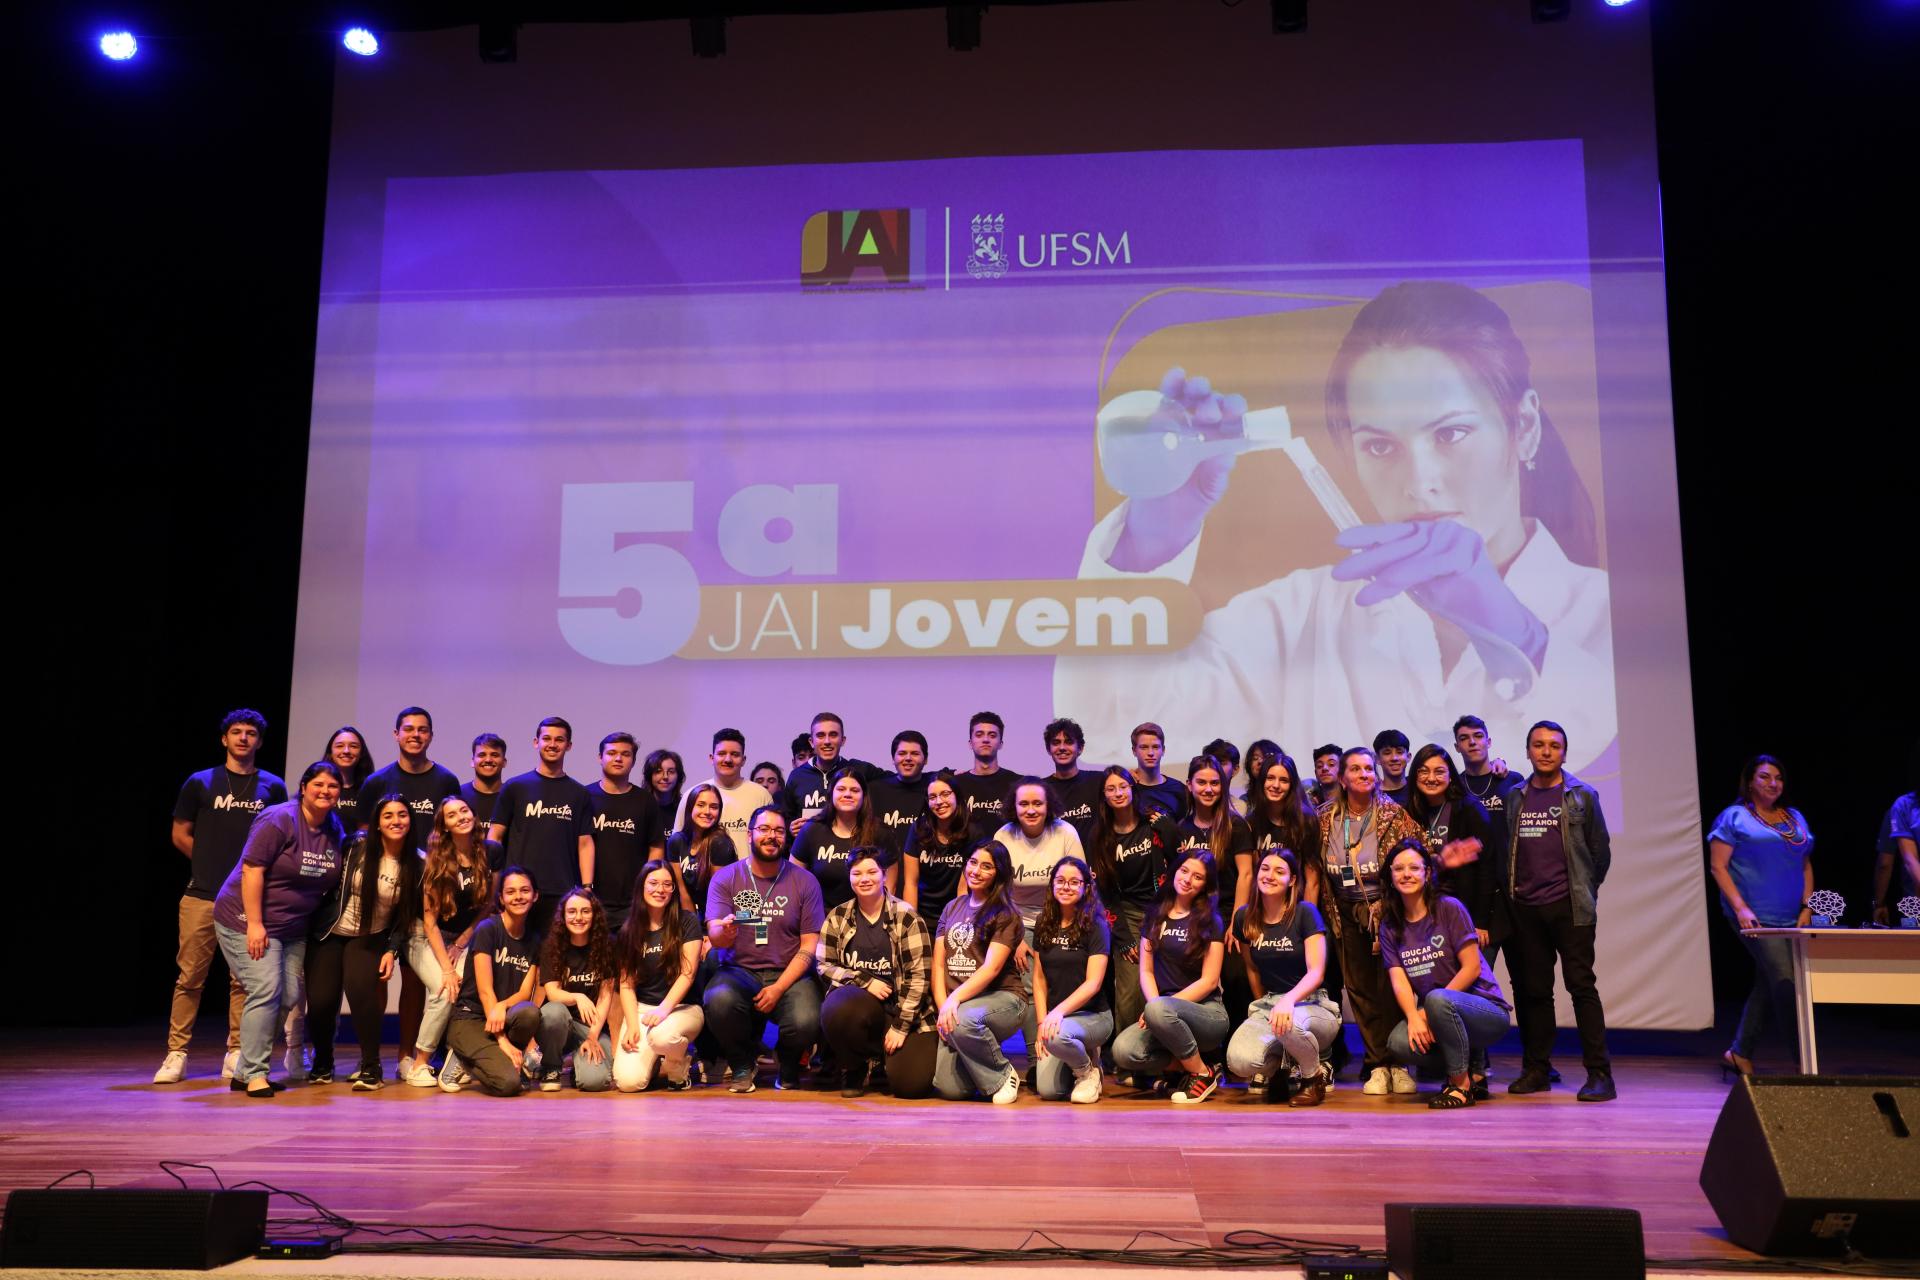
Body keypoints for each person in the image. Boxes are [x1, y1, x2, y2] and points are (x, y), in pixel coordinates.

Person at [1055, 280, 1615, 780]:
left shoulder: (1609, 613)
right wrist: (1152, 536)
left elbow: (1587, 738)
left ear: (1524, 425)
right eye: (1379, 446)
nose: (1419, 482)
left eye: (1451, 435)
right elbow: (1102, 725)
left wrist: (1509, 627)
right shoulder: (1301, 616)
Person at [159, 709, 290, 1086]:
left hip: (248, 901)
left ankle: (236, 1050)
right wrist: (208, 864)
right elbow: (180, 834)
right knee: (190, 977)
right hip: (202, 894)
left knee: (243, 979)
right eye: (236, 732)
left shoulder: (273, 786)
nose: (243, 738)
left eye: (251, 733)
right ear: (224, 739)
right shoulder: (200, 782)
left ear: (259, 741)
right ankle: (177, 1053)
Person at [209, 761, 344, 1097]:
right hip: (245, 918)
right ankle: (256, 1073)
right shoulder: (279, 818)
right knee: (266, 989)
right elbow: (252, 870)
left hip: (292, 928)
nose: (325, 791)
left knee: (288, 995)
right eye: (319, 784)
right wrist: (255, 924)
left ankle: (245, 1071)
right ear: (304, 787)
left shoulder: (333, 827)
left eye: (333, 786)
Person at [1505, 720, 1615, 1101]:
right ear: (1528, 751)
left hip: (1570, 910)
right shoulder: (1515, 797)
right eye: (1539, 745)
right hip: (1526, 909)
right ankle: (1537, 1069)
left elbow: (1600, 854)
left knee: (1581, 987)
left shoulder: (1583, 795)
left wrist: (1582, 891)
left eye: (1554, 745)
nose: (1546, 751)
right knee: (1535, 992)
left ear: (1564, 753)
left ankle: (1600, 1074)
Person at [1319, 746, 1423, 1096]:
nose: (1364, 774)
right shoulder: (1325, 818)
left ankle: (1399, 1064)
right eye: (1356, 769)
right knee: (1359, 990)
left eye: (1368, 769)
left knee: (1390, 989)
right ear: (1342, 778)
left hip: (1387, 914)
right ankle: (1378, 1064)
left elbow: (1420, 854)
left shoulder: (1393, 814)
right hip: (1344, 913)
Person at [1380, 838, 1512, 1108]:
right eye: (1399, 869)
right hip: (1440, 1011)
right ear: (1391, 876)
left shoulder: (1449, 907)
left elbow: (1472, 967)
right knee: (1398, 1042)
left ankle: (1460, 1086)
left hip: (1486, 1011)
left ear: (1427, 873)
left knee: (1437, 999)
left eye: (1414, 868)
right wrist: (1413, 1017)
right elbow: (1399, 981)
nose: (1406, 874)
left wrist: (1429, 1010)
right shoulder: (1390, 924)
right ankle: (1468, 1068)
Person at [703, 807, 825, 1092]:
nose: (772, 836)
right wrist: (724, 932)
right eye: (764, 829)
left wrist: (779, 988)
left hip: (790, 973)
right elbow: (715, 935)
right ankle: (742, 1063)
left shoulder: (805, 881)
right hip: (739, 971)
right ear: (749, 835)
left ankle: (789, 1062)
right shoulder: (726, 878)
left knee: (807, 1018)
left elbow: (809, 944)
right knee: (718, 1000)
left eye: (779, 831)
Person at [1707, 756, 1815, 1076]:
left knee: (1769, 981)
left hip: (1792, 918)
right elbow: (1718, 866)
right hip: (1754, 917)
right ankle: (1806, 1063)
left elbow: (1805, 863)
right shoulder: (1735, 817)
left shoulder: (1794, 817)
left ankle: (1740, 1052)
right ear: (1750, 782)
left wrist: (1808, 906)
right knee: (1785, 982)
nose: (1773, 783)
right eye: (1765, 777)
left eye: (1778, 778)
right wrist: (1741, 908)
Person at [307, 795, 420, 1091]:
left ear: (410, 820)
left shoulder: (417, 863)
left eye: (402, 815)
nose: (396, 821)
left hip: (370, 936)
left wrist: (391, 950)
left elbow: (406, 916)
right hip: (330, 931)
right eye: (388, 816)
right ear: (378, 823)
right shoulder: (355, 846)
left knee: (360, 993)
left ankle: (371, 1066)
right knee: (320, 1000)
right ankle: (323, 1061)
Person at [816, 847, 938, 1098]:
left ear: (884, 875)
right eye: (857, 873)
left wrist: (901, 1026)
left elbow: (919, 978)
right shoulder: (837, 917)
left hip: (904, 1011)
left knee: (912, 1086)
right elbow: (824, 965)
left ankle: (884, 1061)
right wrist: (863, 980)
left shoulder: (906, 916)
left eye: (872, 872)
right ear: (849, 877)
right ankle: (855, 1066)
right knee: (836, 1008)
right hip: (861, 1007)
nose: (864, 879)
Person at [1111, 852, 1228, 1104]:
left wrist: (1161, 1007)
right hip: (1164, 1013)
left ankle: (1202, 1073)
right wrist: (1156, 1007)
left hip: (1207, 1013)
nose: (1187, 879)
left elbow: (1209, 981)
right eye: (1184, 871)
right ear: (1175, 871)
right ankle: (1186, 1066)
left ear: (1205, 885)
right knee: (1123, 1051)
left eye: (1197, 877)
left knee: (1158, 1009)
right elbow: (1146, 971)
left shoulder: (1212, 920)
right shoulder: (1155, 915)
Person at [1225, 849, 1339, 1105]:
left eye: (1279, 871)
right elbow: (1252, 968)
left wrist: (1288, 1000)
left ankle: (1313, 1077)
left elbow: (1316, 972)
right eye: (1265, 869)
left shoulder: (1305, 912)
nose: (1270, 876)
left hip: (1314, 1004)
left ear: (1292, 880)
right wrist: (1262, 1004)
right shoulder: (1245, 916)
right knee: (1238, 1061)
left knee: (1290, 1024)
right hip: (1271, 1005)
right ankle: (1284, 1066)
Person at [995, 778, 1086, 1063]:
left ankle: (1070, 1052)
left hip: (1060, 919)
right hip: (1017, 921)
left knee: (1062, 984)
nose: (1031, 809)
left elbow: (1079, 882)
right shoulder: (1004, 836)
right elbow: (997, 892)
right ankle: (1039, 1058)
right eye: (1024, 804)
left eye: (1037, 803)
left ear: (1049, 806)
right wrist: (1015, 938)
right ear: (1014, 807)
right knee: (1031, 987)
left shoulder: (1065, 832)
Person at [1085, 765, 1179, 1035]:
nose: (1118, 793)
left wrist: (1167, 827)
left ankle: (1167, 1048)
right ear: (1104, 796)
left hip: (1164, 909)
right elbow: (1104, 892)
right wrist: (1124, 937)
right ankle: (1127, 1053)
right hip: (1127, 914)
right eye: (1111, 789)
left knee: (1167, 982)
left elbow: (1180, 860)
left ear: (1132, 788)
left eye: (1123, 786)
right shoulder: (1099, 836)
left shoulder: (1155, 822)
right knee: (1129, 992)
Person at [931, 841, 1028, 1103]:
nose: (976, 871)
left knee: (963, 1021)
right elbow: (939, 965)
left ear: (999, 873)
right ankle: (979, 1065)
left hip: (1004, 998)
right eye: (973, 862)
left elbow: (991, 968)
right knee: (950, 1089)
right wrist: (943, 1007)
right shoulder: (952, 907)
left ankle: (1003, 1074)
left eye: (987, 866)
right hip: (959, 1005)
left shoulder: (1006, 913)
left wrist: (953, 1000)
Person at [439, 867, 543, 1096]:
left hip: (501, 1016)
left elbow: (525, 993)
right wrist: (503, 1041)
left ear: (535, 895)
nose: (518, 897)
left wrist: (502, 1006)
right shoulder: (488, 929)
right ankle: (461, 1055)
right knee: (509, 1084)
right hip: (471, 1019)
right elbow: (485, 990)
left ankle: (486, 1057)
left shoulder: (534, 940)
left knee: (529, 1013)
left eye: (525, 890)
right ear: (501, 898)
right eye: (511, 892)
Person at [488, 717, 595, 939]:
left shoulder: (579, 793)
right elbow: (495, 836)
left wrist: (586, 887)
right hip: (518, 891)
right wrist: (492, 885)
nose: (552, 744)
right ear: (536, 742)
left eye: (559, 740)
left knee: (553, 955)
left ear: (569, 745)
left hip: (561, 892)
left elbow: (585, 843)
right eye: (547, 738)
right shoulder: (515, 787)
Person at [417, 796, 497, 1088]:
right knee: (445, 987)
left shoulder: (491, 851)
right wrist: (447, 968)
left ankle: (457, 1056)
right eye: (452, 815)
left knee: (467, 987)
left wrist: (462, 942)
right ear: (445, 826)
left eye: (464, 811)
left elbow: (490, 904)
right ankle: (420, 1064)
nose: (461, 817)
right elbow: (429, 922)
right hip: (430, 934)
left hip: (468, 936)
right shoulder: (435, 860)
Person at [613, 860, 706, 1091]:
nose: (660, 889)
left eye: (667, 884)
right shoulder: (629, 930)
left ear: (673, 889)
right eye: (653, 883)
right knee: (628, 1083)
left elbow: (687, 974)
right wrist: (632, 1024)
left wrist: (663, 1010)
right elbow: (626, 985)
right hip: (643, 1011)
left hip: (682, 1008)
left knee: (662, 1037)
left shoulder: (687, 922)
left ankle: (677, 1068)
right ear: (642, 887)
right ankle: (654, 1061)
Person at [1031, 856, 1112, 1103]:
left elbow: (1093, 983)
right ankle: (1079, 1057)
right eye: (1060, 880)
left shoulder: (1096, 925)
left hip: (1093, 1016)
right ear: (1052, 884)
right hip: (1057, 1020)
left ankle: (1088, 1073)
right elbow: (1039, 978)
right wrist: (1041, 1023)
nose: (1066, 887)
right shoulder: (1043, 922)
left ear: (1085, 887)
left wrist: (1057, 1014)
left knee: (1056, 1037)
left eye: (1074, 882)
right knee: (1048, 1091)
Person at [1402, 744, 1497, 941]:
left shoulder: (1470, 810)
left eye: (1439, 771)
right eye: (1423, 771)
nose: (1431, 778)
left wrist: (1480, 922)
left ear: (1451, 775)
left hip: (1466, 910)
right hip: (1425, 911)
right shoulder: (1409, 813)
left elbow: (1487, 868)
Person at [537, 887, 617, 1091]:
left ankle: (577, 1066)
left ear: (594, 915)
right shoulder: (551, 946)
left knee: (595, 1082)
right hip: (558, 1025)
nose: (578, 917)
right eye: (572, 911)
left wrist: (592, 1036)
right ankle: (551, 1067)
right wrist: (578, 997)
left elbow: (605, 997)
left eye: (585, 911)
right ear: (563, 916)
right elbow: (552, 993)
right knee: (553, 1012)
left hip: (591, 1026)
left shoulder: (607, 946)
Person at [587, 732, 668, 929]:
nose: (618, 758)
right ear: (600, 758)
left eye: (625, 754)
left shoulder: (645, 800)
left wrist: (647, 888)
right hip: (592, 899)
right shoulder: (585, 797)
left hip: (633, 903)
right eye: (611, 753)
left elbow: (656, 847)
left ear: (633, 761)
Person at [356, 708, 461, 849]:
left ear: (431, 736)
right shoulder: (375, 782)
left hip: (435, 862)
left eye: (422, 730)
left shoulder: (447, 781)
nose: (415, 735)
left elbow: (454, 831)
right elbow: (365, 833)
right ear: (396, 734)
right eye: (408, 729)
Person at [1175, 755, 1255, 923]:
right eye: (1201, 782)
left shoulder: (1236, 825)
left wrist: (1236, 921)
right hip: (1191, 917)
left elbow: (1246, 875)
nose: (1208, 789)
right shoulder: (1182, 828)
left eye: (1215, 783)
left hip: (1227, 915)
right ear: (1189, 785)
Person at [794, 768, 888, 911]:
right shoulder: (811, 830)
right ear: (831, 794)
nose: (847, 794)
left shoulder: (879, 832)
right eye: (841, 789)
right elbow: (795, 880)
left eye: (855, 790)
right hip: (819, 917)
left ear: (864, 796)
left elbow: (889, 884)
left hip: (870, 917)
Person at [676, 729, 773, 860]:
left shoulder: (761, 795)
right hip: (703, 872)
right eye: (722, 754)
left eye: (735, 754)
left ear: (743, 760)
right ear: (712, 758)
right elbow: (678, 843)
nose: (728, 759)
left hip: (749, 872)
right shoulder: (692, 795)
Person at [1247, 753, 1325, 904]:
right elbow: (1249, 876)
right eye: (1270, 778)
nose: (1276, 785)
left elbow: (1312, 881)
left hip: (1295, 906)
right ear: (1262, 781)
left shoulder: (1306, 821)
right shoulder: (1251, 822)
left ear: (1292, 785)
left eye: (1283, 780)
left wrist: (1307, 916)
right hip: (1261, 906)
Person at [783, 712, 878, 830]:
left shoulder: (859, 770)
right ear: (811, 742)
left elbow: (893, 781)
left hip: (850, 840)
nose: (827, 741)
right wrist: (790, 828)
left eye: (833, 735)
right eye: (820, 735)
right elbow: (785, 817)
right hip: (810, 841)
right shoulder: (797, 776)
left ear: (842, 740)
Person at [902, 770, 971, 925]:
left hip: (957, 914)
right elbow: (911, 883)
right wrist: (913, 924)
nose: (939, 801)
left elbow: (963, 889)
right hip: (923, 915)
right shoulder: (918, 829)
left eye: (945, 794)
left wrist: (956, 924)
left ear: (957, 796)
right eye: (933, 797)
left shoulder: (972, 831)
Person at [1453, 715, 1523, 865]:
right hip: (1472, 872)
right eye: (1464, 738)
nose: (1472, 742)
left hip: (1510, 870)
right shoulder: (1455, 787)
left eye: (1478, 736)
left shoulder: (1513, 780)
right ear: (1457, 747)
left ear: (1488, 742)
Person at [668, 782, 734, 917]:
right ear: (690, 807)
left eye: (714, 807)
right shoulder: (676, 841)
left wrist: (709, 926)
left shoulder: (720, 843)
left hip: (719, 914)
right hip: (691, 914)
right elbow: (683, 892)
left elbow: (717, 895)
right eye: (701, 805)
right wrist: (692, 926)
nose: (707, 812)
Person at [952, 711, 1020, 837]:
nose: (985, 740)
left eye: (992, 735)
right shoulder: (956, 784)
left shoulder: (1017, 784)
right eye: (979, 735)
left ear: (1001, 744)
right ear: (970, 743)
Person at [869, 731, 932, 854]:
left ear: (925, 759)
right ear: (893, 758)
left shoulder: (935, 789)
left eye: (915, 753)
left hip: (926, 864)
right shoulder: (874, 791)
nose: (908, 758)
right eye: (902, 753)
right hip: (885, 864)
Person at [1044, 718, 1106, 844]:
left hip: (1094, 857)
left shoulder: (1099, 781)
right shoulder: (1042, 789)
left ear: (1080, 748)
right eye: (1056, 743)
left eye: (1069, 742)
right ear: (1048, 749)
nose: (1062, 747)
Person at [1871, 785, 1920, 925]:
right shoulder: (1902, 806)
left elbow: (1885, 864)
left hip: (1914, 906)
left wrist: (1878, 904)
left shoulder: (1903, 806)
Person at [1128, 722, 1190, 822]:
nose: (1150, 753)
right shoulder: (1126, 788)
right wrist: (1124, 777)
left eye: (1156, 747)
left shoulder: (1179, 789)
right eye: (1144, 747)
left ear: (1163, 750)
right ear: (1134, 751)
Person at [324, 726, 374, 834]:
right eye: (339, 746)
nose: (346, 751)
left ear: (361, 754)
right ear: (330, 752)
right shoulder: (320, 789)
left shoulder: (371, 790)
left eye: (353, 746)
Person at [459, 733, 508, 832]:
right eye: (482, 755)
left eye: (494, 755)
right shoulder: (459, 795)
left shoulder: (511, 796)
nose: (488, 760)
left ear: (504, 762)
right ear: (472, 761)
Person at [644, 748, 686, 832]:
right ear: (649, 776)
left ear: (678, 776)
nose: (665, 777)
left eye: (671, 771)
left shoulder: (684, 809)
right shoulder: (640, 806)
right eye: (658, 771)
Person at [1373, 730, 1412, 807]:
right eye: (1387, 753)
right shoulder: (1372, 795)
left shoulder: (1418, 788)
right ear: (1377, 759)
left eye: (1399, 752)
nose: (1394, 758)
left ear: (1408, 757)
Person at [1241, 739, 1282, 811]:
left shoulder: (1293, 796)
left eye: (1265, 757)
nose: (1260, 761)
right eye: (1255, 758)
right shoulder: (1244, 801)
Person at [1201, 738, 1242, 807]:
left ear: (1235, 769)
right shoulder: (1194, 805)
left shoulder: (1241, 808)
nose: (1214, 767)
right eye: (1210, 763)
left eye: (1221, 763)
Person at [1310, 745, 1343, 812]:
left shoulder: (1352, 800)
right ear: (1316, 773)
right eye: (1319, 766)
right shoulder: (1312, 806)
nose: (1324, 768)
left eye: (1331, 764)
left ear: (1342, 770)